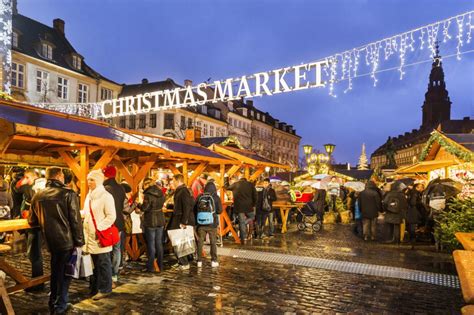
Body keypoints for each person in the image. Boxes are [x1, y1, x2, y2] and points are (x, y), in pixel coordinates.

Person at [29, 167, 84, 314]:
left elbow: (31, 221)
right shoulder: (68, 194)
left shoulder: (37, 195)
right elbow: (75, 221)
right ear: (59, 176)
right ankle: (60, 304)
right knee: (65, 273)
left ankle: (53, 301)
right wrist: (79, 242)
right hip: (67, 240)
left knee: (55, 271)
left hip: (50, 241)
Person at [82, 170, 116, 300]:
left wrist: (99, 229)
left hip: (100, 235)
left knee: (103, 263)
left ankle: (105, 288)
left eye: (92, 180)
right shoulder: (89, 195)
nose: (89, 182)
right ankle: (94, 287)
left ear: (98, 181)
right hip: (89, 235)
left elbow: (111, 216)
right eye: (88, 179)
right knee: (94, 263)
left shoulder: (106, 196)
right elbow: (87, 212)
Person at [15, 169, 44, 291]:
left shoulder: (35, 188)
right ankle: (37, 282)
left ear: (29, 177)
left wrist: (22, 181)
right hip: (36, 225)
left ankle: (37, 284)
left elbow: (17, 188)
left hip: (35, 226)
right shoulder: (38, 186)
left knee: (34, 254)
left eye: (26, 178)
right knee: (35, 253)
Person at [102, 166, 126, 287]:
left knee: (107, 250)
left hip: (108, 224)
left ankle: (107, 274)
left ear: (105, 175)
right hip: (119, 223)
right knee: (117, 249)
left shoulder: (104, 189)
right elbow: (125, 206)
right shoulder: (121, 188)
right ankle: (114, 274)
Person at [137, 177, 165, 272]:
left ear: (146, 184)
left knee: (151, 245)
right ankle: (160, 265)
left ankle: (151, 267)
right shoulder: (161, 192)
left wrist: (138, 204)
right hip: (160, 219)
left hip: (150, 221)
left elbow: (145, 207)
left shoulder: (148, 194)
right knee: (159, 244)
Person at [168, 174, 195, 270]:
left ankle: (184, 263)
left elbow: (186, 206)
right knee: (182, 242)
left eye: (173, 181)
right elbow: (182, 205)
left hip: (181, 220)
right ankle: (183, 262)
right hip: (181, 219)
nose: (172, 183)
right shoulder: (182, 190)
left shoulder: (183, 191)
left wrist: (184, 221)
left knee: (179, 242)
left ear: (177, 180)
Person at [195, 178, 222, 267]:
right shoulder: (216, 197)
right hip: (212, 223)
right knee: (213, 242)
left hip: (201, 223)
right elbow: (220, 211)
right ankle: (214, 261)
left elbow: (195, 209)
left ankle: (199, 261)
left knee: (200, 242)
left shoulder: (200, 196)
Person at [225, 174, 257, 243]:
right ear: (245, 179)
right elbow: (255, 196)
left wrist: (226, 177)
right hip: (248, 206)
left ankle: (243, 239)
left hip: (239, 207)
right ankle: (245, 223)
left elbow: (226, 187)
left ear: (240, 179)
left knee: (241, 222)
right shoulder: (250, 185)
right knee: (252, 217)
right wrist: (253, 204)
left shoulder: (236, 184)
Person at [406, 183, 424, 248]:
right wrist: (420, 203)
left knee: (411, 226)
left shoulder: (410, 192)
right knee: (412, 226)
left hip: (409, 211)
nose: (422, 189)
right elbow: (413, 203)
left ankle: (411, 239)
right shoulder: (415, 193)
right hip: (413, 212)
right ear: (417, 187)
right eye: (421, 187)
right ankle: (413, 240)